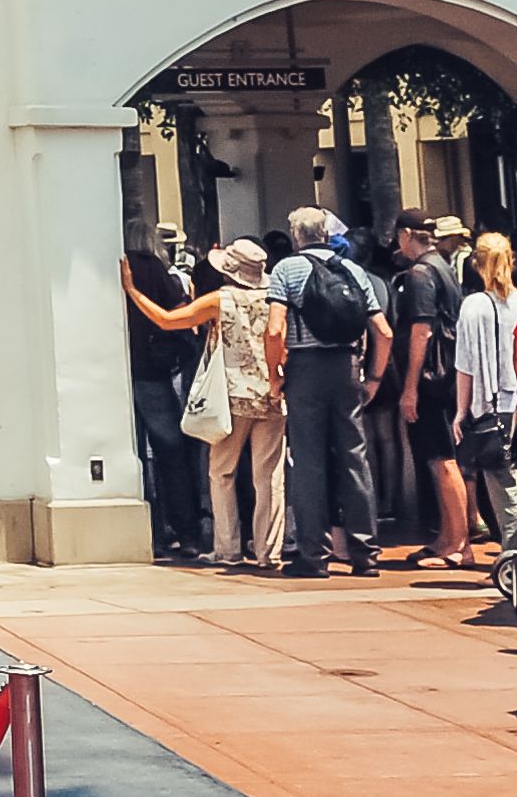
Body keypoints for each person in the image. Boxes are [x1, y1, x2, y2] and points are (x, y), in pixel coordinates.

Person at [128, 237, 283, 568]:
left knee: (221, 472)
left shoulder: (221, 300)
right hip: (271, 393)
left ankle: (228, 548)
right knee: (268, 476)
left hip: (233, 397)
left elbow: (168, 320)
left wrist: (133, 291)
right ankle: (269, 551)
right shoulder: (275, 297)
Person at [268, 206, 381, 577]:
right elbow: (385, 330)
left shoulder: (286, 269)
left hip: (305, 369)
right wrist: (374, 377)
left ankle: (313, 555)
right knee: (354, 456)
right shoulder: (353, 271)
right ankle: (365, 553)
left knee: (308, 462)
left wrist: (275, 375)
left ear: (296, 235)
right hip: (347, 367)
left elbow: (274, 329)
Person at [123, 219, 208, 563]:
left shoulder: (121, 266)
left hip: (126, 369)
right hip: (154, 371)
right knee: (170, 452)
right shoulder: (155, 269)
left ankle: (152, 530)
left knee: (137, 455)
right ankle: (185, 531)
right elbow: (181, 314)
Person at [385, 211, 461, 558]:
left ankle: (458, 541)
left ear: (405, 236)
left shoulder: (419, 274)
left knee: (441, 458)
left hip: (432, 379)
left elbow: (422, 329)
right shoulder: (442, 266)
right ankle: (448, 537)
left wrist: (410, 386)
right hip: (446, 376)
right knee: (439, 457)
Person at [447, 228, 517, 571]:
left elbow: (465, 365)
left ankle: (515, 554)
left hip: (489, 408)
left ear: (476, 265)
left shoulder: (474, 306)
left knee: (503, 486)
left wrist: (460, 412)